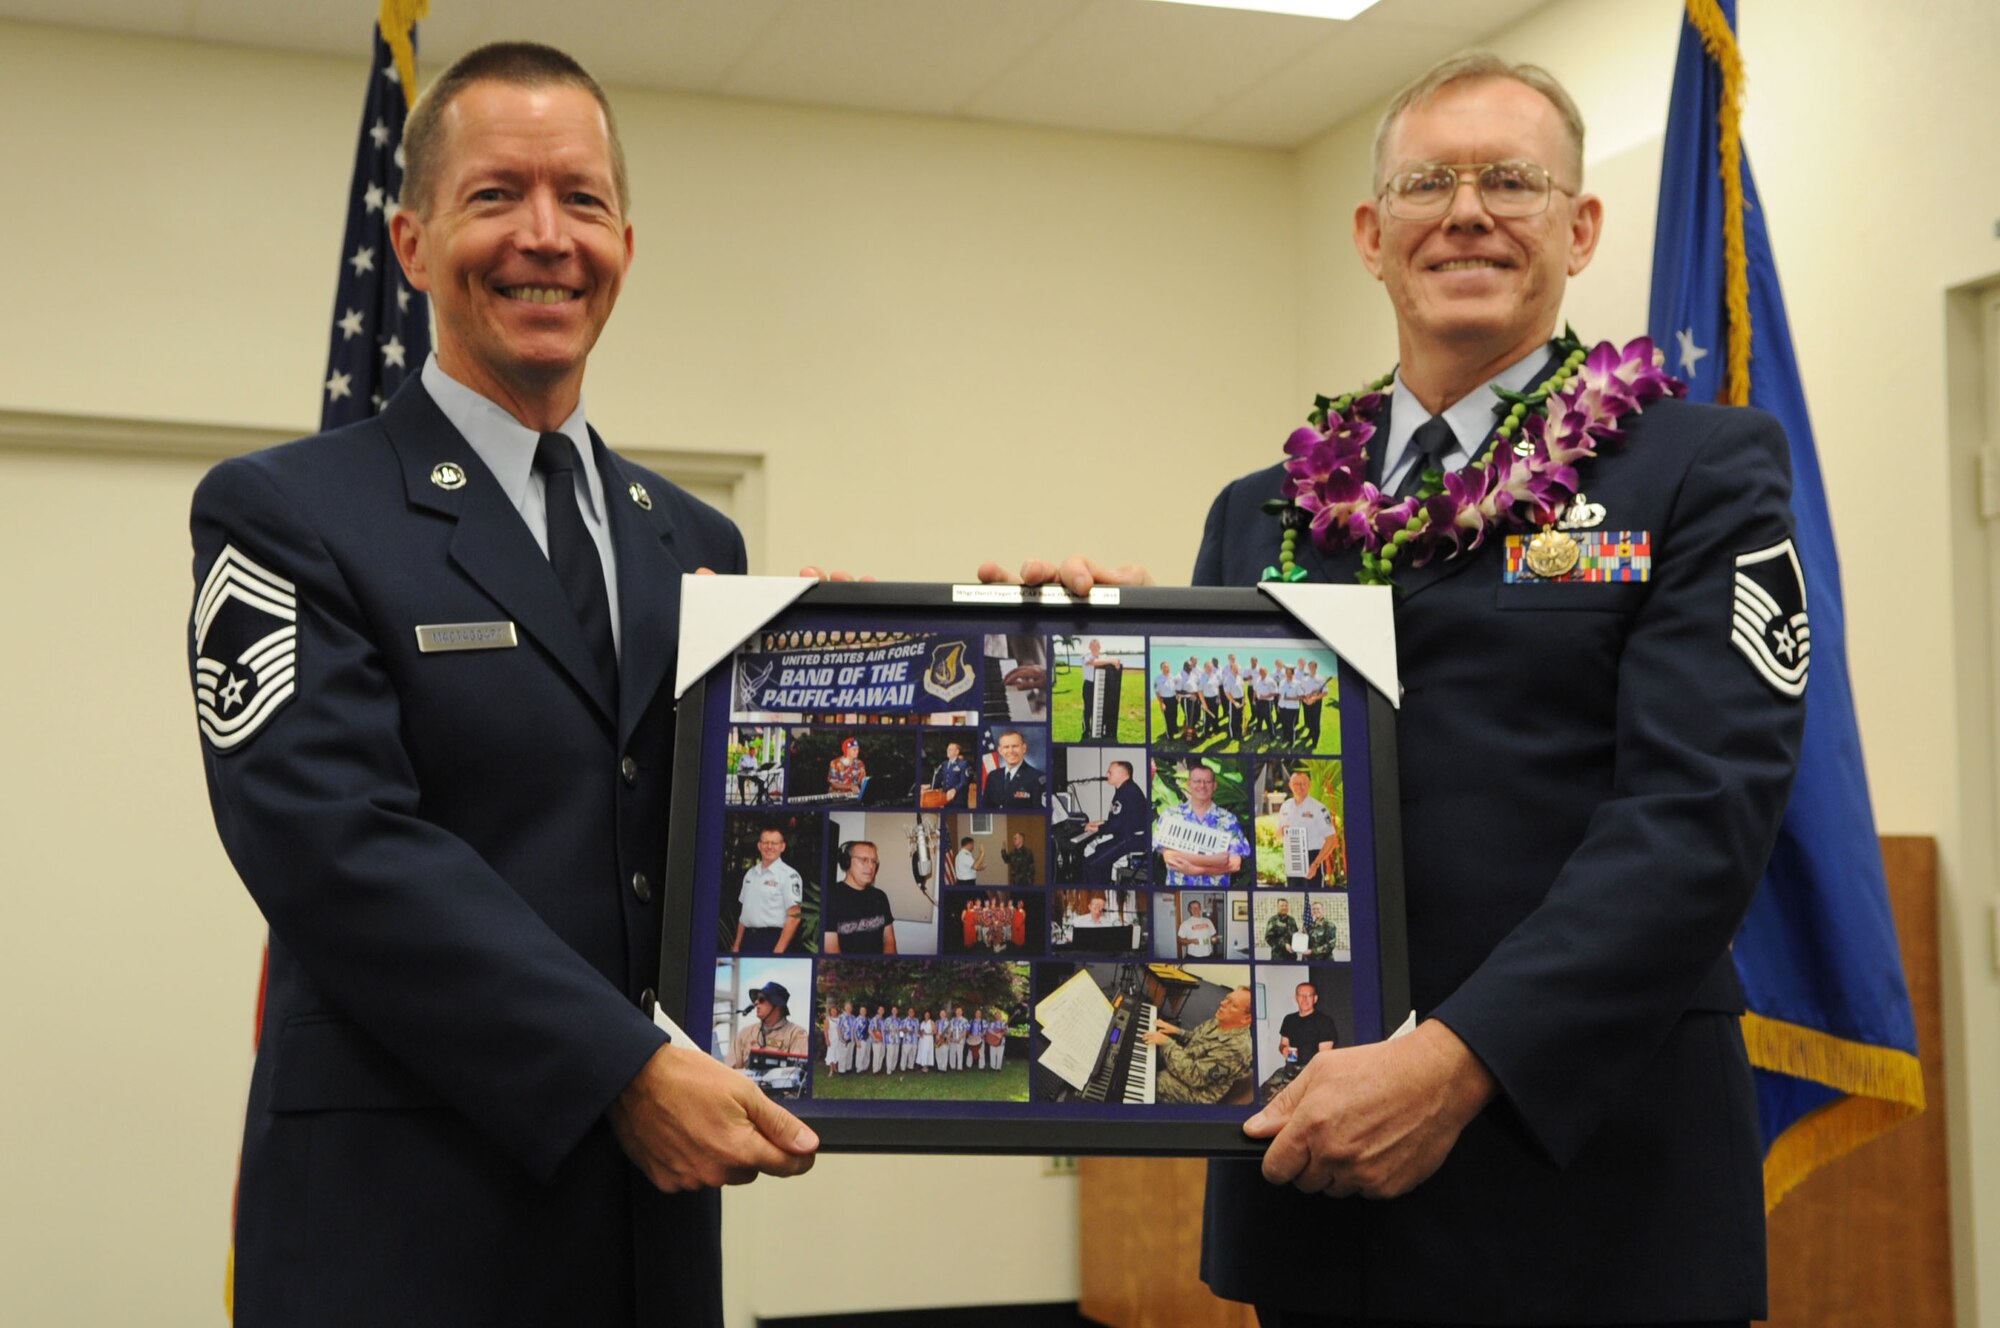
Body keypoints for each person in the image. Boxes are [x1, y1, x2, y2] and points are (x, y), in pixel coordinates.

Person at [1008, 52, 1804, 1328]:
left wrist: (1456, 1061)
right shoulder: (1256, 510)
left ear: (1579, 226)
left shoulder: (1699, 469)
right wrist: (1066, 669)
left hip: (1592, 1185)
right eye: (1429, 181)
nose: (1468, 210)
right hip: (1319, 1190)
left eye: (1512, 179)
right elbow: (1183, 833)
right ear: (1373, 235)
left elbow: (1696, 817)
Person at [186, 42, 816, 1325]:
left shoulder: (697, 542)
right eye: (496, 196)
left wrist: (987, 657)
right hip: (402, 1220)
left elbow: (731, 836)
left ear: (625, 243)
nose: (546, 236)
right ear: (411, 243)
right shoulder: (286, 513)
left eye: (580, 199)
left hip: (647, 1231)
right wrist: (621, 1068)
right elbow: (335, 847)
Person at [1143, 987, 1254, 1105]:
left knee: (1148, 1082)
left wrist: (1167, 1043)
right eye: (1227, 999)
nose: (1222, 1004)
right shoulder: (1222, 1020)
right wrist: (1176, 1031)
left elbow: (1195, 1077)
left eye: (1233, 1005)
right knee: (1147, 1046)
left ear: (1246, 1018)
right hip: (1188, 1062)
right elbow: (1196, 1039)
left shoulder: (1237, 1049)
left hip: (1196, 1092)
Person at [1155, 764, 1249, 888]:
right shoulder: (1171, 815)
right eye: (1197, 781)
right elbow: (1170, 857)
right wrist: (1215, 860)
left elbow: (1235, 864)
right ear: (1189, 784)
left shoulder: (1229, 820)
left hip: (1216, 895)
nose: (1202, 786)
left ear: (1215, 786)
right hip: (1180, 891)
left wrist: (1195, 870)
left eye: (1207, 782)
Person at [734, 827, 804, 953]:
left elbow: (794, 916)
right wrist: (736, 946)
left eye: (774, 843)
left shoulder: (789, 876)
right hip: (748, 940)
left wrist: (778, 951)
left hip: (772, 940)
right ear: (759, 846)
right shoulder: (750, 874)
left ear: (782, 847)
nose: (769, 847)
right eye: (765, 843)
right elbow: (744, 915)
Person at [1079, 759, 1149, 880]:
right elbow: (1121, 819)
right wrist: (1098, 823)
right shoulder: (1126, 789)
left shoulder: (1126, 792)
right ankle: (1104, 883)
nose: (1107, 775)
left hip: (1132, 839)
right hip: (1130, 836)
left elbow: (1116, 825)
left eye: (1110, 772)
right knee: (1100, 849)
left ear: (1122, 774)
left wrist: (1096, 829)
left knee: (1091, 864)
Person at [823, 842, 897, 954]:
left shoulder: (880, 897)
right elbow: (831, 949)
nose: (871, 866)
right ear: (846, 862)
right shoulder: (830, 896)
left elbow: (889, 941)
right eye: (863, 860)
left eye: (873, 861)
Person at [1273, 769, 1338, 890]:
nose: (1300, 787)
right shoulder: (1285, 806)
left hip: (1313, 858)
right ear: (1290, 785)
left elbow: (1332, 840)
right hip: (1292, 858)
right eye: (1296, 784)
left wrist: (1316, 864)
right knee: (1295, 900)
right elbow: (1278, 836)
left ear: (1310, 785)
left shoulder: (1319, 809)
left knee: (1313, 900)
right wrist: (1282, 831)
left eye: (1303, 783)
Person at [728, 984, 808, 1069]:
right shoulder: (745, 1033)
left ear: (777, 1006)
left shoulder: (796, 1034)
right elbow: (729, 1070)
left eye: (762, 999)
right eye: (756, 999)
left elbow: (798, 1070)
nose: (756, 1002)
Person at [1275, 981, 1340, 1071]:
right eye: (1301, 995)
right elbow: (1283, 1044)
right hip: (1290, 1068)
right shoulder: (1289, 1019)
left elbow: (1324, 1056)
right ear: (1296, 997)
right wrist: (1284, 1049)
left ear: (1315, 998)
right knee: (1267, 1085)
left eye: (1309, 995)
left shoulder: (1325, 1021)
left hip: (1313, 1070)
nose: (1304, 999)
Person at [983, 729, 1045, 806]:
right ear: (1000, 750)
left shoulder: (1037, 778)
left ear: (1024, 748)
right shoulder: (993, 776)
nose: (1011, 751)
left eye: (1015, 746)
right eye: (1006, 747)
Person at [935, 740, 973, 808]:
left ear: (957, 752)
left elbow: (964, 781)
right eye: (947, 749)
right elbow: (940, 778)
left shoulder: (963, 764)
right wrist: (930, 785)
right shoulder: (944, 764)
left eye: (950, 749)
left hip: (958, 800)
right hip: (946, 798)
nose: (948, 751)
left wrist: (955, 789)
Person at [1153, 660, 1180, 739]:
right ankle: (1170, 736)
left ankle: (1174, 730)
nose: (1166, 668)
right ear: (1161, 669)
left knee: (1174, 716)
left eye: (1168, 667)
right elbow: (1157, 692)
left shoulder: (1173, 677)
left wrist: (1178, 697)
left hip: (1173, 699)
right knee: (1168, 718)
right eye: (1164, 667)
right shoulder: (1158, 679)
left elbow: (1176, 689)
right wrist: (1161, 703)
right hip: (1165, 700)